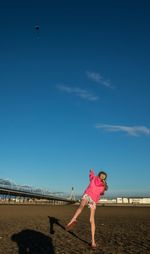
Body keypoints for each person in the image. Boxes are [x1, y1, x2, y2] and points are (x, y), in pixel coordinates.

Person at [66, 169, 108, 249]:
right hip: (93, 200)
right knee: (92, 220)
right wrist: (103, 186)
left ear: (99, 175)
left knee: (81, 207)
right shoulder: (103, 185)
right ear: (104, 178)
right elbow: (102, 193)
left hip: (87, 195)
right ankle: (93, 242)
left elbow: (91, 175)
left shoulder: (94, 178)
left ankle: (73, 219)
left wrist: (91, 171)